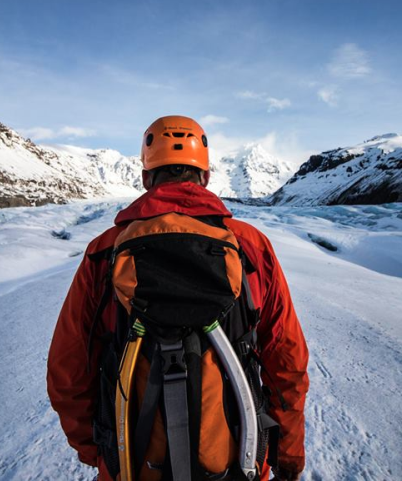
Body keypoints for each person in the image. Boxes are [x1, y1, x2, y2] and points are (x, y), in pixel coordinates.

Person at [47, 116, 309, 480]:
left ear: (144, 177)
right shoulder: (250, 247)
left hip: (132, 466)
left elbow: (69, 368)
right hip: (235, 461)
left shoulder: (104, 251)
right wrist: (288, 454)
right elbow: (287, 361)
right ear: (205, 176)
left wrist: (99, 449)